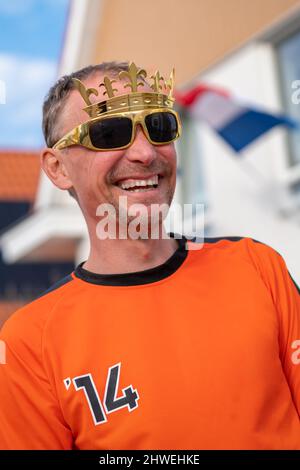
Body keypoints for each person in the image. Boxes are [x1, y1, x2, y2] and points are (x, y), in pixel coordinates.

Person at [0, 61, 299, 450]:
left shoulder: (256, 267)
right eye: (109, 133)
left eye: (159, 126)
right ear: (57, 169)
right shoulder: (29, 344)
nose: (144, 152)